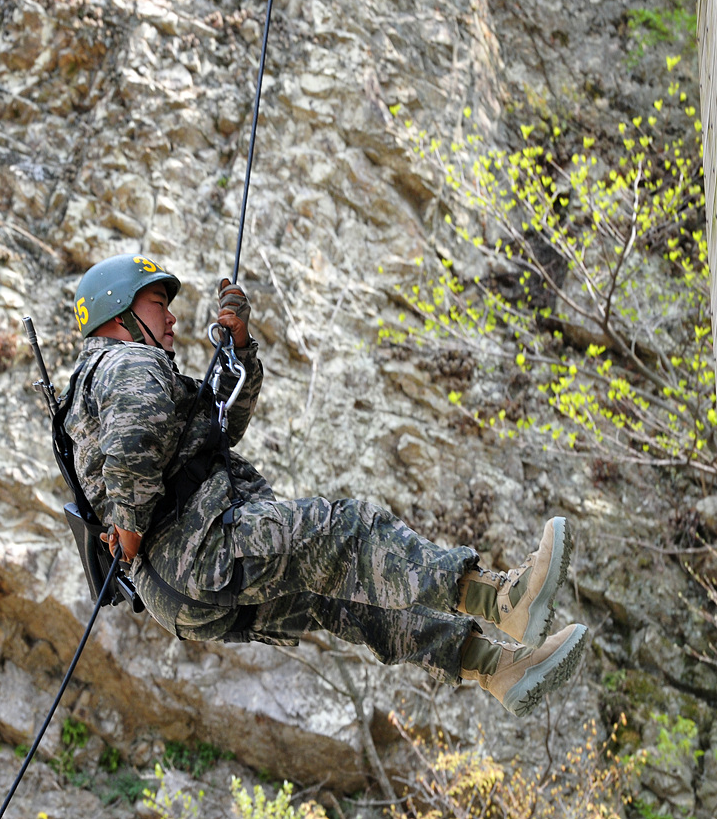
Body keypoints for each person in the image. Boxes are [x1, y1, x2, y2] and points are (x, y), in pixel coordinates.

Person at [62, 253, 588, 716]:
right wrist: (128, 531)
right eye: (158, 303)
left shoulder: (111, 377)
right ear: (120, 314)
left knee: (345, 601)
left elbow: (219, 428)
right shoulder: (125, 360)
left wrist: (238, 349)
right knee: (348, 534)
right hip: (197, 552)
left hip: (179, 589)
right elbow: (135, 440)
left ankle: (500, 669)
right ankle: (502, 600)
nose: (171, 315)